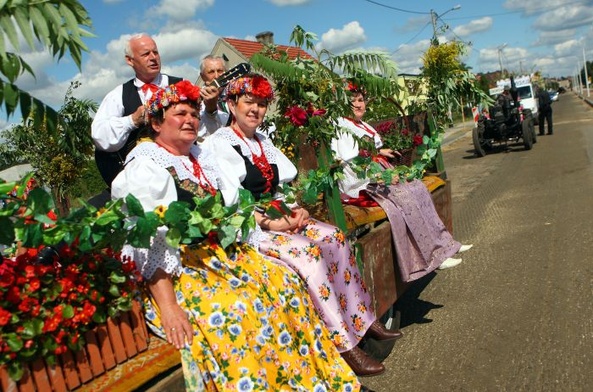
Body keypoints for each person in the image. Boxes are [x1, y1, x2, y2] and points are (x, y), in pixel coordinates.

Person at [110, 80, 363, 391]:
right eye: (179, 113)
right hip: (181, 270)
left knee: (285, 284)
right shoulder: (144, 168)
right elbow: (149, 242)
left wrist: (268, 224)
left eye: (193, 113)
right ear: (156, 122)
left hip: (224, 255)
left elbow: (234, 211)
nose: (190, 119)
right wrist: (169, 306)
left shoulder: (200, 158)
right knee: (237, 309)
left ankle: (317, 382)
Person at [209, 74, 401, 377]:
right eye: (249, 102)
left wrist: (295, 210)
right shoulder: (218, 145)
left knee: (335, 238)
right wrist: (272, 221)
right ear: (231, 104)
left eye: (261, 104)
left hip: (280, 215)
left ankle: (363, 321)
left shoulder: (261, 141)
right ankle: (343, 345)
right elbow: (231, 205)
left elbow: (280, 186)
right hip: (252, 227)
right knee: (308, 255)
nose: (256, 110)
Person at [332, 83, 473, 282]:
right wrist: (378, 177)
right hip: (361, 183)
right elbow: (349, 162)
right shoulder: (342, 126)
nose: (358, 104)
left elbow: (368, 149)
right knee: (405, 197)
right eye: (352, 100)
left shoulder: (362, 125)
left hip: (377, 173)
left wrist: (381, 153)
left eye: (360, 100)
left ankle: (446, 245)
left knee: (418, 187)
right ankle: (432, 258)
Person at [91, 33, 183, 188]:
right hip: (141, 182)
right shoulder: (118, 95)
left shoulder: (181, 86)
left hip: (179, 175)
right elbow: (99, 135)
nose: (153, 57)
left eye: (155, 52)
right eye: (146, 54)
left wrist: (211, 107)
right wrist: (131, 121)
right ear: (129, 60)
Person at [197, 55, 230, 138]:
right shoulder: (197, 100)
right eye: (211, 72)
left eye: (220, 71)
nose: (216, 76)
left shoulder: (234, 95)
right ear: (202, 76)